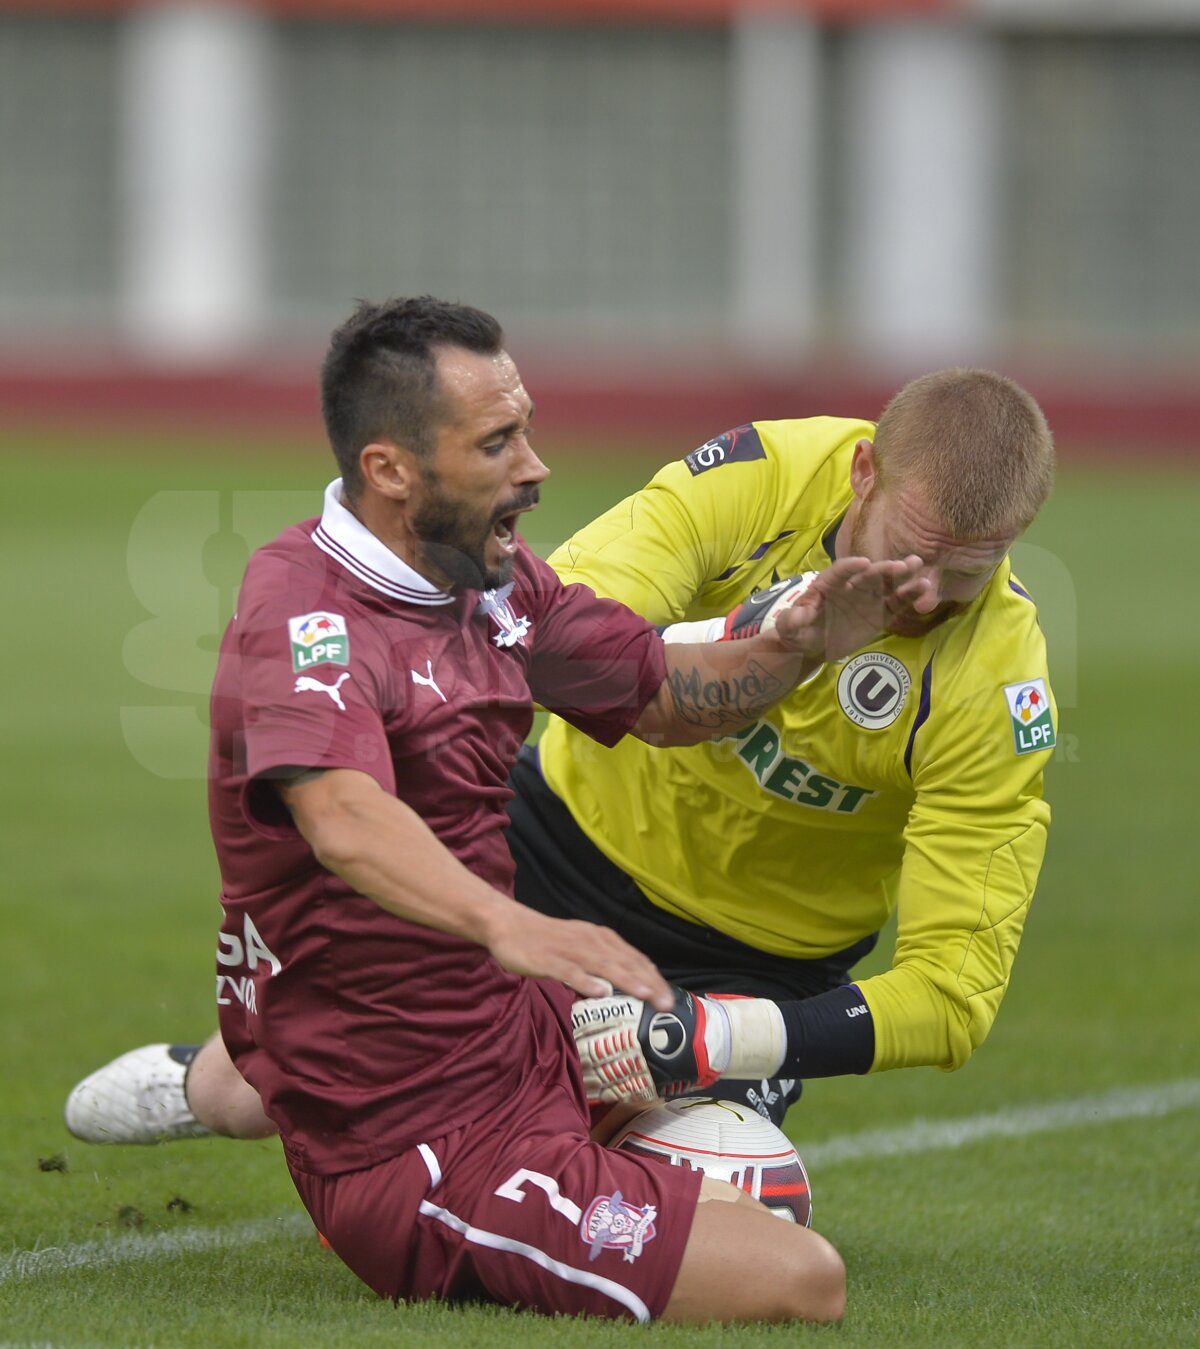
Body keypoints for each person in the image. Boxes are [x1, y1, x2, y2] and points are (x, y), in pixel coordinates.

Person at [73, 295, 938, 1324]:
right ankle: (289, 1116)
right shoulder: (305, 613)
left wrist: (802, 646)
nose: (537, 465)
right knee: (801, 1274)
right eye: (497, 442)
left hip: (507, 1024)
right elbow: (342, 813)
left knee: (704, 1075)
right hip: (409, 1128)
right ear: (392, 468)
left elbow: (665, 696)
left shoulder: (491, 582)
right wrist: (512, 924)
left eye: (525, 428)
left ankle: (222, 1081)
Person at [68, 366, 1055, 1145]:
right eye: (909, 554)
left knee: (735, 1190)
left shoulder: (999, 689)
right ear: (863, 473)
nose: (924, 595)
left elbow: (952, 994)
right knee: (268, 1091)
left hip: (758, 966)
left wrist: (711, 1034)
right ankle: (213, 1080)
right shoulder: (763, 476)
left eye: (965, 576)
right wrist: (767, 634)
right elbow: (541, 623)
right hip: (554, 848)